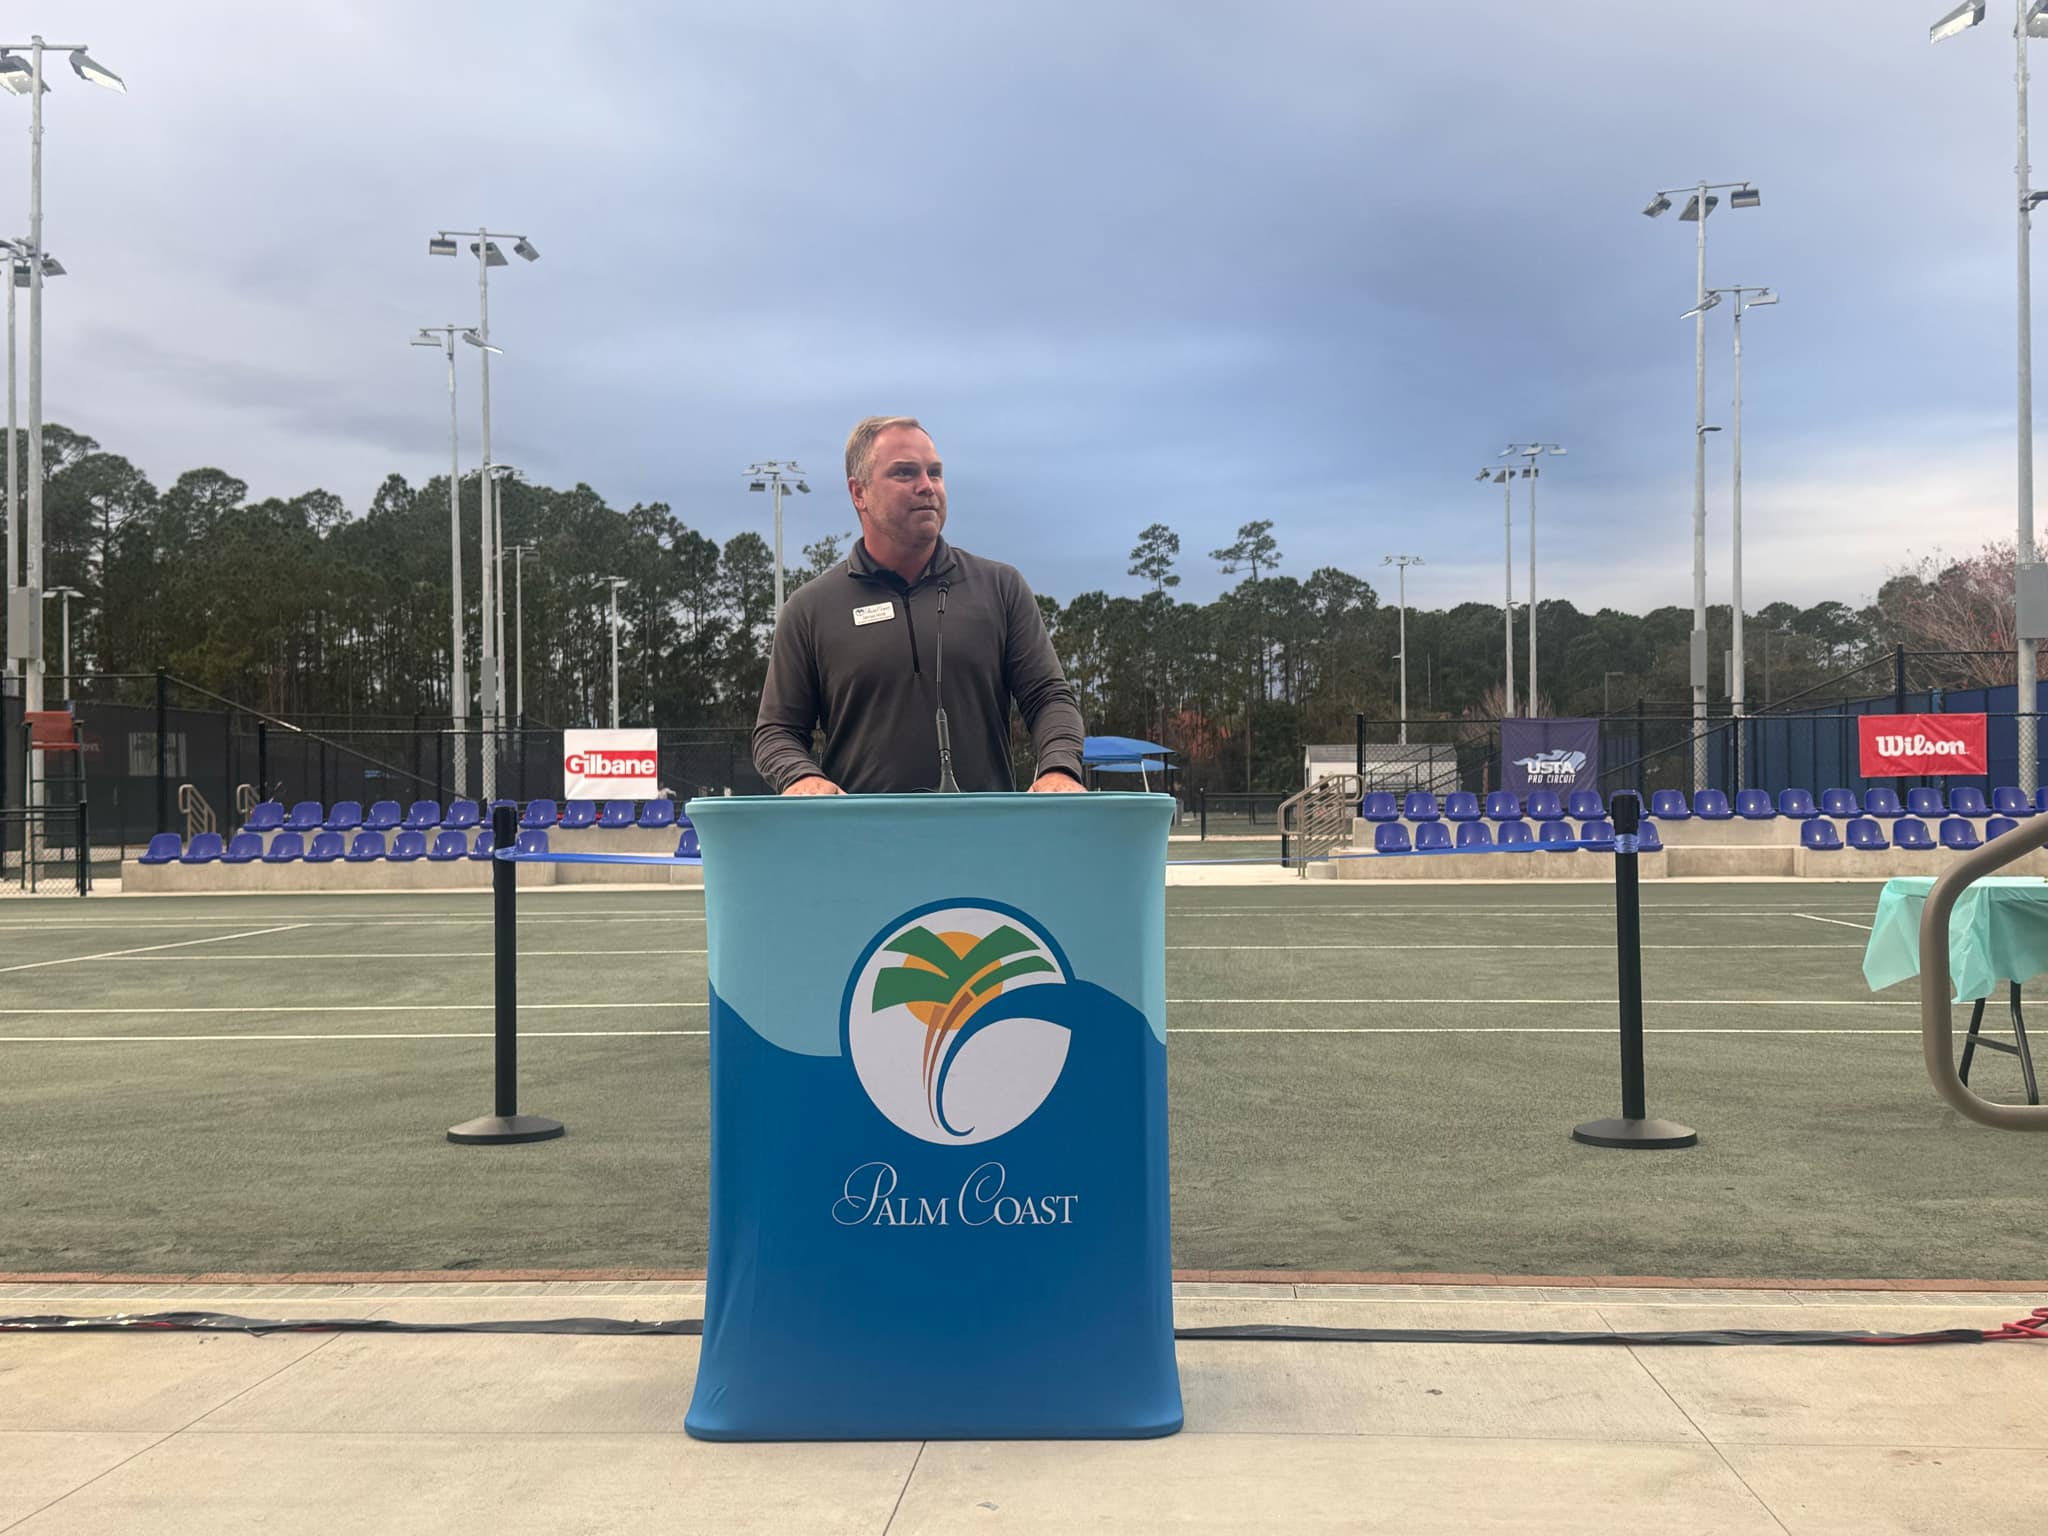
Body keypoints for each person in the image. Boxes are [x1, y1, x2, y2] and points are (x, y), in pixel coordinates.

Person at [753, 416, 1087, 796]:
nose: (927, 486)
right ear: (858, 492)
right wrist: (801, 776)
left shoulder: (1000, 587)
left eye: (935, 473)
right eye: (905, 473)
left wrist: (1059, 768)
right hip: (861, 846)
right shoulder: (810, 609)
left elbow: (1050, 698)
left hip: (983, 842)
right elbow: (775, 732)